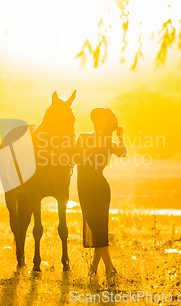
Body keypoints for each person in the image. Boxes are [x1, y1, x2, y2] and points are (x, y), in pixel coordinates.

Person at [75, 107, 127, 285]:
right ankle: (110, 268)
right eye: (97, 119)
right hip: (83, 188)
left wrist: (120, 136)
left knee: (99, 231)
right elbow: (73, 157)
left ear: (107, 125)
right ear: (93, 121)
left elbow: (123, 153)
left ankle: (93, 269)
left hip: (99, 188)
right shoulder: (83, 138)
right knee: (97, 230)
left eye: (103, 121)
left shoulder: (108, 142)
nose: (99, 123)